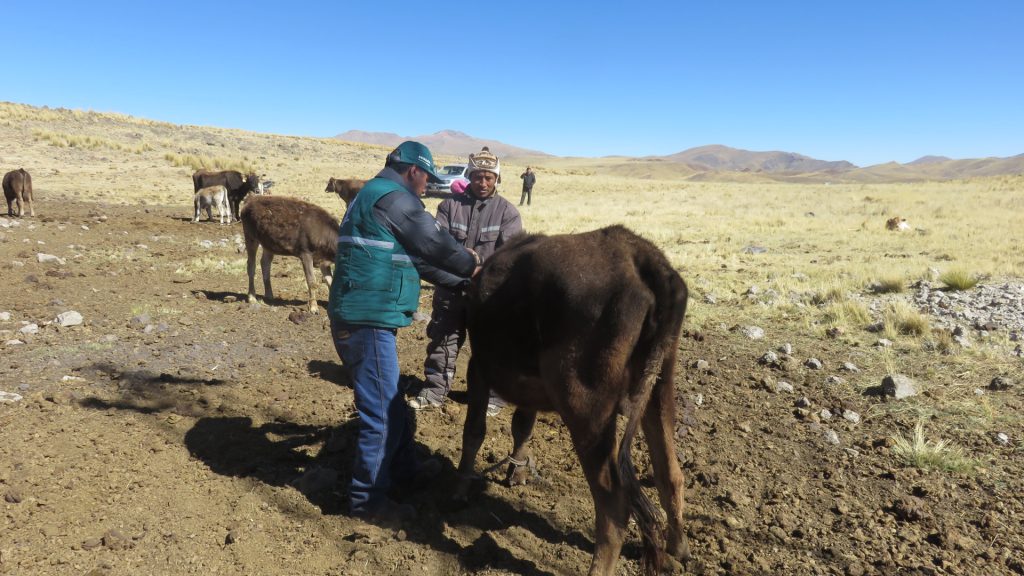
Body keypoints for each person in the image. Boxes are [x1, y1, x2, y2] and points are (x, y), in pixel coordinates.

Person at [328, 140, 481, 524]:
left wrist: (462, 283)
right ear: (413, 170)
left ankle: (404, 469)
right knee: (381, 413)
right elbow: (433, 242)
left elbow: (416, 260)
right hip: (366, 321)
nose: (428, 185)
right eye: (426, 177)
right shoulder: (394, 198)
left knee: (392, 402)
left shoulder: (371, 197)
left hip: (362, 316)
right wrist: (472, 268)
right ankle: (368, 502)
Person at [409, 148, 523, 416]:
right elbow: (435, 246)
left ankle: (493, 398)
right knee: (442, 341)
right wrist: (460, 259)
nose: (483, 183)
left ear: (497, 179)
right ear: (469, 176)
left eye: (488, 178)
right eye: (477, 176)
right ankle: (434, 392)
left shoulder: (508, 213)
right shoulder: (449, 207)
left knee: (492, 346)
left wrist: (480, 265)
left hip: (489, 297)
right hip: (450, 290)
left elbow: (511, 258)